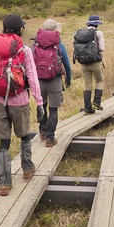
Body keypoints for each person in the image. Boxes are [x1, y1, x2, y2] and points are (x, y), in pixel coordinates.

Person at [0, 14, 44, 196]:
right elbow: (33, 77)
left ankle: (4, 183)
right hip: (19, 100)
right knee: (24, 135)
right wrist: (39, 101)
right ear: (20, 29)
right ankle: (27, 169)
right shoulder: (24, 50)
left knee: (3, 141)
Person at [36, 19, 72, 147]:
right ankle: (50, 139)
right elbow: (67, 65)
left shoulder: (35, 45)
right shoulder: (59, 45)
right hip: (55, 81)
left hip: (39, 81)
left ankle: (42, 132)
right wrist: (68, 79)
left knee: (42, 106)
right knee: (53, 110)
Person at [74, 15, 105, 114]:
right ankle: (97, 102)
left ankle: (87, 108)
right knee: (100, 80)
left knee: (87, 84)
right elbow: (102, 48)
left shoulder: (77, 33)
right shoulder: (98, 33)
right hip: (95, 62)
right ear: (97, 24)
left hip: (83, 63)